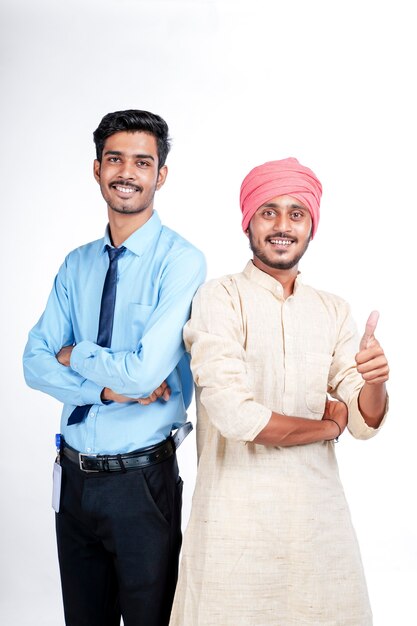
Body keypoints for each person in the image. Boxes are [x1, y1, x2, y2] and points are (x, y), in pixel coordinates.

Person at [169, 157, 389, 626]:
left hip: (317, 524)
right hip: (234, 525)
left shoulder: (332, 310)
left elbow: (363, 421)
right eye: (269, 211)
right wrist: (326, 426)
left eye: (296, 213)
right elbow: (234, 414)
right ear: (248, 220)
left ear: (312, 226)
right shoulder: (219, 297)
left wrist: (375, 381)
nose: (283, 225)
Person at [23, 109, 206, 626]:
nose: (127, 172)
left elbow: (146, 374)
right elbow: (32, 364)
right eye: (115, 159)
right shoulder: (76, 264)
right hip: (74, 479)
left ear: (160, 175)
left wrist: (75, 354)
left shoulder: (182, 262)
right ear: (97, 168)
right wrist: (106, 392)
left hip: (141, 484)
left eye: (142, 162)